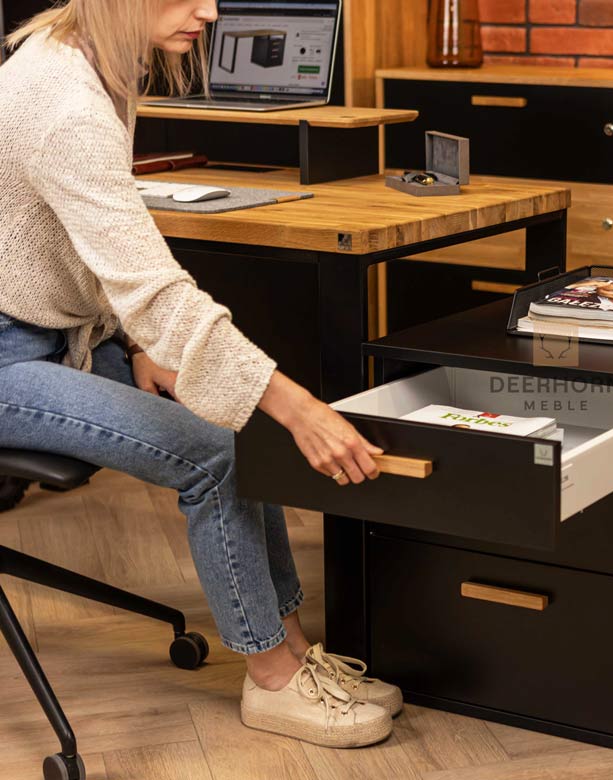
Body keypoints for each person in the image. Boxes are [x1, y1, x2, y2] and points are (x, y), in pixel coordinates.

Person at [0, 0, 398, 749]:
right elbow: (154, 285)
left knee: (231, 415)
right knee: (216, 450)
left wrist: (141, 344)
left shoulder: (90, 64)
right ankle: (272, 680)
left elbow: (85, 249)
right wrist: (297, 404)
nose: (211, 12)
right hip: (8, 358)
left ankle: (294, 651)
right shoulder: (65, 104)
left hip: (60, 335)